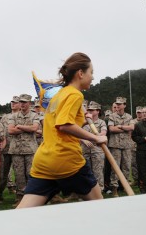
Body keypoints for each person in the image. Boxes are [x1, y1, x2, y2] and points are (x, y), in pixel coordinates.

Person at [17, 52, 107, 208]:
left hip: (44, 162)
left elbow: (58, 122)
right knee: (100, 207)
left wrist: (81, 116)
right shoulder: (75, 95)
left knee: (23, 212)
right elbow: (64, 125)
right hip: (67, 160)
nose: (92, 77)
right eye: (91, 72)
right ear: (80, 73)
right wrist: (95, 138)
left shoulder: (60, 95)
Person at [8, 94, 40, 206]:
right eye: (21, 102)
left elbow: (35, 128)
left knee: (30, 174)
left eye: (24, 102)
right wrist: (27, 128)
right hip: (16, 150)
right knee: (19, 175)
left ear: (29, 103)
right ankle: (20, 198)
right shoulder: (13, 116)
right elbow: (10, 131)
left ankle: (32, 197)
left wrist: (20, 127)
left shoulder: (34, 115)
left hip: (30, 149)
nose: (22, 104)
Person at [107, 97, 135, 196]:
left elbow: (132, 127)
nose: (118, 106)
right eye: (117, 104)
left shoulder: (129, 116)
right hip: (115, 145)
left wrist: (120, 126)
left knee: (126, 166)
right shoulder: (112, 116)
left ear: (124, 105)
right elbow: (111, 129)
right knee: (115, 167)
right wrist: (125, 129)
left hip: (127, 145)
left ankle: (125, 186)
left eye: (120, 104)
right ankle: (114, 188)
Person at [81, 101, 107, 191]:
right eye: (89, 110)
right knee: (86, 171)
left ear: (98, 111)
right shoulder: (83, 122)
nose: (90, 111)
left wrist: (97, 136)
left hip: (97, 150)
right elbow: (76, 133)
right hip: (85, 150)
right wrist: (84, 140)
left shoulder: (101, 122)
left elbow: (103, 133)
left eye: (92, 110)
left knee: (98, 171)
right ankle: (87, 191)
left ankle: (99, 190)